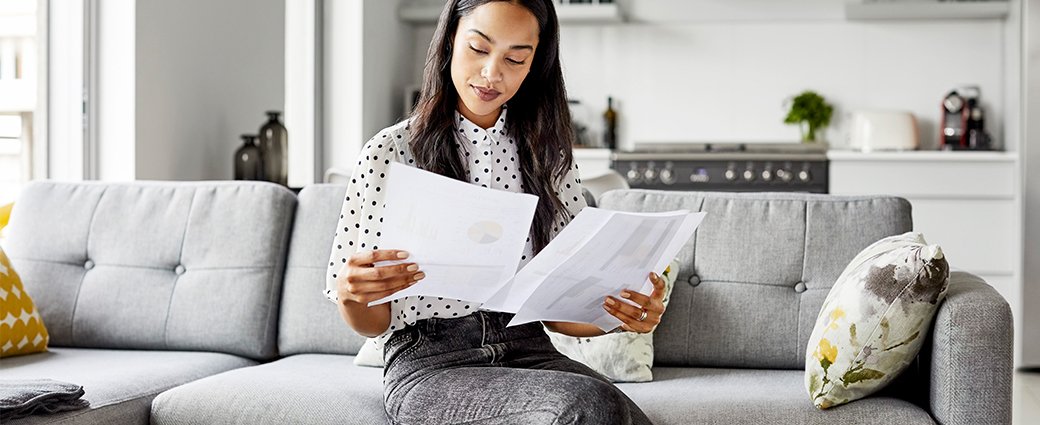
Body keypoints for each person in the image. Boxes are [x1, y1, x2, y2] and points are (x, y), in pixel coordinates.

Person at [324, 1, 663, 423]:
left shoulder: (547, 156)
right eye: (478, 49)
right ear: (450, 41)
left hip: (530, 350)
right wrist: (354, 292)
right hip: (431, 362)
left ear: (535, 64)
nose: (492, 73)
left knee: (617, 412)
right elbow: (372, 322)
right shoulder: (389, 153)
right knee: (590, 405)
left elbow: (559, 314)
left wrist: (621, 315)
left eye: (515, 58)